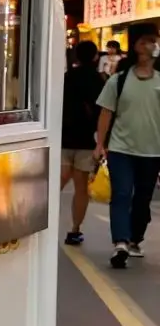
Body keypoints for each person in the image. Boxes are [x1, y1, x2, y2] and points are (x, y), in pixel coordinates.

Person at [94, 21, 160, 268]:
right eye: (146, 41)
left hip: (153, 151)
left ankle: (134, 238)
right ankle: (120, 242)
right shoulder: (119, 81)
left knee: (142, 199)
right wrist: (100, 144)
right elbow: (105, 114)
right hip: (121, 149)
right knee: (121, 194)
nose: (152, 45)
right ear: (136, 46)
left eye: (154, 40)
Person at [60, 40, 104, 246]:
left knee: (56, 183)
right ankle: (74, 229)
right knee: (81, 188)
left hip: (64, 138)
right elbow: (103, 112)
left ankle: (41, 223)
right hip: (87, 140)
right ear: (95, 57)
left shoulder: (66, 77)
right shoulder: (99, 80)